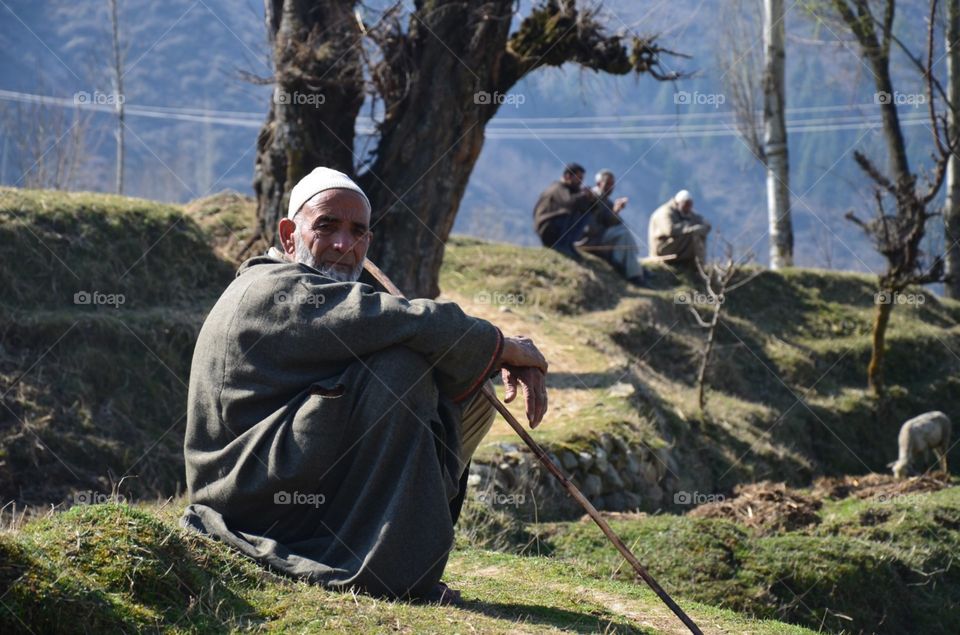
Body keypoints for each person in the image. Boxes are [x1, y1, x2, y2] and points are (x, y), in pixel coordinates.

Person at [181, 167, 549, 605]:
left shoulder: (305, 290)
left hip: (283, 480)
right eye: (326, 226)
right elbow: (384, 317)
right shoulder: (270, 290)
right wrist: (500, 344)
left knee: (461, 378)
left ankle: (396, 542)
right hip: (244, 493)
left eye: (357, 231)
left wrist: (486, 358)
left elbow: (389, 325)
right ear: (288, 235)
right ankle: (385, 565)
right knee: (399, 369)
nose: (343, 244)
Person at [581, 169, 645, 286]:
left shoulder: (606, 200)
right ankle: (625, 267)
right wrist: (615, 211)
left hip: (599, 235)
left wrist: (616, 211)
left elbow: (614, 222)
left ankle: (632, 268)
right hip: (591, 238)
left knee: (623, 231)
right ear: (599, 184)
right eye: (608, 183)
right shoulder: (593, 197)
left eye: (612, 184)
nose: (611, 187)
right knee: (623, 233)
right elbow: (599, 222)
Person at [533, 163, 597, 260]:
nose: (581, 182)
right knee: (568, 213)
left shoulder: (572, 190)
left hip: (558, 226)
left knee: (585, 215)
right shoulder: (558, 187)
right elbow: (569, 202)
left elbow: (585, 208)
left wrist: (591, 200)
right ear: (568, 176)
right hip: (547, 227)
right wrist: (583, 195)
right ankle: (560, 245)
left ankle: (568, 245)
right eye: (578, 178)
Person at [648, 190, 711, 268]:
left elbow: (705, 224)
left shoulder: (686, 211)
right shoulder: (664, 212)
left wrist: (701, 227)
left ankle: (698, 265)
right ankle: (697, 267)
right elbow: (670, 230)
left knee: (698, 232)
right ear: (679, 203)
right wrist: (689, 227)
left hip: (676, 245)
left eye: (690, 206)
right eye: (686, 206)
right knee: (694, 234)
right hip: (662, 249)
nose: (688, 209)